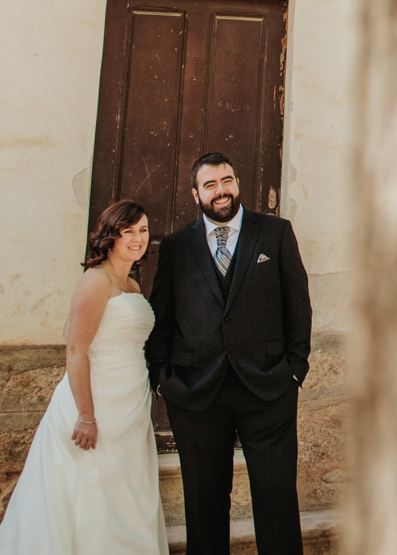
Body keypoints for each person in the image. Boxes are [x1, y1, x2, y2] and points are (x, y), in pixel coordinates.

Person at [147, 152, 313, 555]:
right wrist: (164, 379)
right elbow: (161, 319)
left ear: (237, 184)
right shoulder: (176, 246)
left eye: (227, 181)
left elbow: (299, 305)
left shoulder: (274, 233)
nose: (220, 191)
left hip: (269, 386)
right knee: (204, 505)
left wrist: (294, 370)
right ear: (195, 194)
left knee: (276, 502)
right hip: (196, 392)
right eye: (210, 184)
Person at [0, 198, 169, 554]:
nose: (137, 238)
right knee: (89, 493)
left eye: (143, 230)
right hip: (95, 404)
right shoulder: (95, 280)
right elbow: (75, 350)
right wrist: (86, 416)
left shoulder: (131, 285)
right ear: (110, 237)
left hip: (128, 406)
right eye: (128, 231)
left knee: (124, 493)